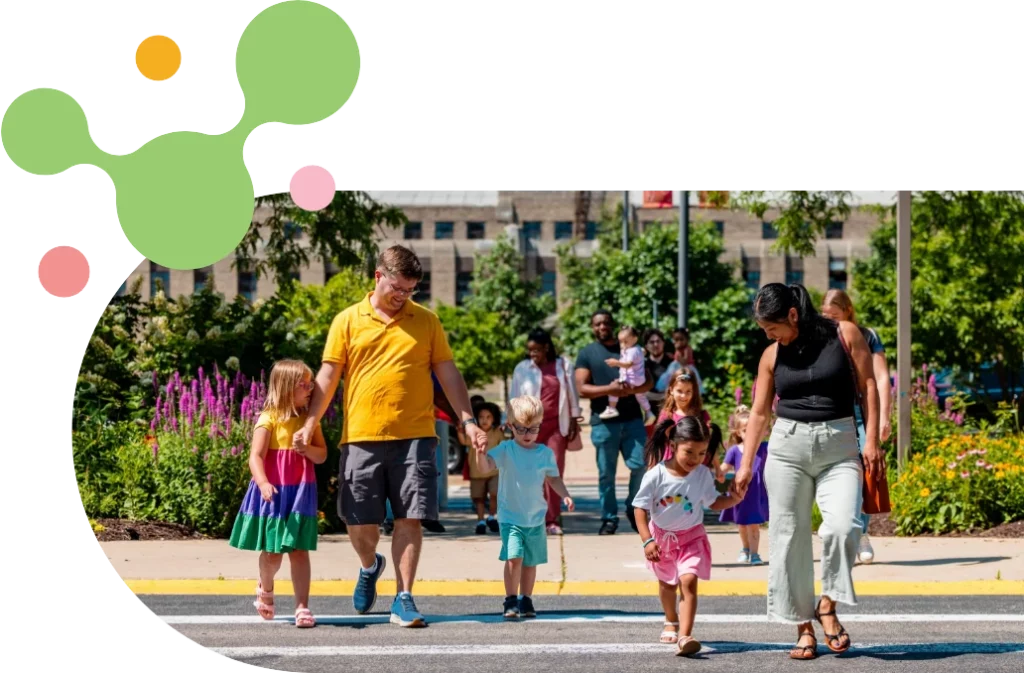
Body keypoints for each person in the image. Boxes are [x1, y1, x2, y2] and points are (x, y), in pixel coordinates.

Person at [293, 245, 488, 629]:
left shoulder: (427, 321)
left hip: (416, 436)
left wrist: (468, 421)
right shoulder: (347, 320)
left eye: (410, 291)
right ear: (378, 276)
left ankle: (404, 597)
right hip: (361, 436)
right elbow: (328, 377)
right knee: (359, 522)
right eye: (397, 288)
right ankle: (370, 565)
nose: (402, 297)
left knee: (409, 518)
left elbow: (449, 375)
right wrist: (310, 422)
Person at [733, 283, 882, 660]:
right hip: (787, 448)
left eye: (772, 328)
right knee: (788, 537)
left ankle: (827, 605)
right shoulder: (771, 355)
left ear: (793, 315)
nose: (768, 335)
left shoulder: (844, 334)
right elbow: (760, 412)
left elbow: (868, 384)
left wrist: (873, 441)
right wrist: (746, 462)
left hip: (840, 444)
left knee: (844, 526)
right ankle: (803, 628)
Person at [229, 359, 328, 628]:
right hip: (273, 491)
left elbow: (322, 455)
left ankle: (302, 607)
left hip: (299, 494)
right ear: (285, 388)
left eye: (311, 383)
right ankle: (266, 588)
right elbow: (255, 456)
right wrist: (262, 482)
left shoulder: (309, 422)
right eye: (303, 384)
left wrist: (307, 449)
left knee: (299, 551)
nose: (310, 389)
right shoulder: (268, 418)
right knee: (272, 553)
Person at [633, 416, 743, 656]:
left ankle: (685, 635)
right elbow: (639, 508)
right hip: (661, 539)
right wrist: (647, 540)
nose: (695, 459)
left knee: (688, 581)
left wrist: (733, 499)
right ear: (672, 446)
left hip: (692, 538)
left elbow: (713, 502)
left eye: (702, 453)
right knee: (667, 585)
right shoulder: (656, 474)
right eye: (689, 452)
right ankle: (670, 620)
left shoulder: (702, 474)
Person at [473, 395, 575, 619]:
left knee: (530, 561)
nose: (527, 434)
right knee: (514, 557)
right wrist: (480, 452)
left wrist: (565, 495)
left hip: (536, 518)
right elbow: (484, 468)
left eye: (533, 428)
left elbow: (553, 479)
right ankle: (510, 599)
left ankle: (526, 599)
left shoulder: (544, 453)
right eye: (521, 429)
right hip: (510, 516)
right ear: (510, 426)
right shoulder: (506, 449)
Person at [821, 288, 892, 564]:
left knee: (864, 471)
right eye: (826, 316)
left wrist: (885, 415)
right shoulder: (822, 335)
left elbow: (881, 377)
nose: (831, 322)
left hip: (862, 411)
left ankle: (861, 533)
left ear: (848, 311)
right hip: (832, 411)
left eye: (835, 316)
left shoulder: (867, 335)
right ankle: (843, 532)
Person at [575, 310, 654, 535]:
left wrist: (631, 391)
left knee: (640, 466)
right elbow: (581, 387)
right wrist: (610, 389)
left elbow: (648, 381)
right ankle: (609, 518)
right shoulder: (587, 353)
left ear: (613, 325)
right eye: (597, 324)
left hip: (632, 420)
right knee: (606, 474)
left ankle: (633, 507)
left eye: (606, 323)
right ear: (592, 327)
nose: (602, 327)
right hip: (603, 422)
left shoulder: (630, 349)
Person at [510, 327, 582, 535]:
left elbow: (571, 395)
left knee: (553, 472)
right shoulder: (522, 369)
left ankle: (552, 520)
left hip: (556, 428)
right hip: (529, 428)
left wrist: (575, 419)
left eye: (537, 350)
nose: (533, 354)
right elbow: (514, 397)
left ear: (547, 348)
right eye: (530, 350)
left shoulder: (563, 365)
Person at [718, 404, 769, 565]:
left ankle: (754, 554)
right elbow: (724, 468)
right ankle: (745, 548)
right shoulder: (734, 450)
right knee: (741, 524)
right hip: (739, 493)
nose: (752, 434)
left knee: (753, 525)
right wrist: (717, 473)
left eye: (757, 430)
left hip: (756, 494)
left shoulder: (765, 448)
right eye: (747, 431)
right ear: (739, 433)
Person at [456, 401, 504, 534]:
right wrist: (460, 431)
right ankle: (481, 521)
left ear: (494, 418)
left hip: (494, 471)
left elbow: (504, 446)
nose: (485, 420)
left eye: (488, 417)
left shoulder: (497, 432)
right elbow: (464, 441)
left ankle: (491, 516)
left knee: (495, 494)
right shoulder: (473, 433)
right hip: (476, 472)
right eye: (481, 417)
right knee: (479, 498)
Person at [601, 326, 656, 426]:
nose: (622, 345)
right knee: (640, 396)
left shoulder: (632, 351)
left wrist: (616, 363)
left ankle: (612, 408)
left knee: (613, 387)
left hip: (632, 379)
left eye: (625, 342)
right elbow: (643, 351)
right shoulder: (637, 348)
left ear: (634, 339)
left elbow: (628, 364)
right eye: (620, 342)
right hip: (640, 379)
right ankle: (649, 412)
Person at [642, 329, 675, 424]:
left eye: (658, 341)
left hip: (671, 412)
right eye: (651, 342)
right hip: (650, 414)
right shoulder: (642, 365)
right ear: (646, 346)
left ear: (663, 343)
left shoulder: (673, 363)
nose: (655, 345)